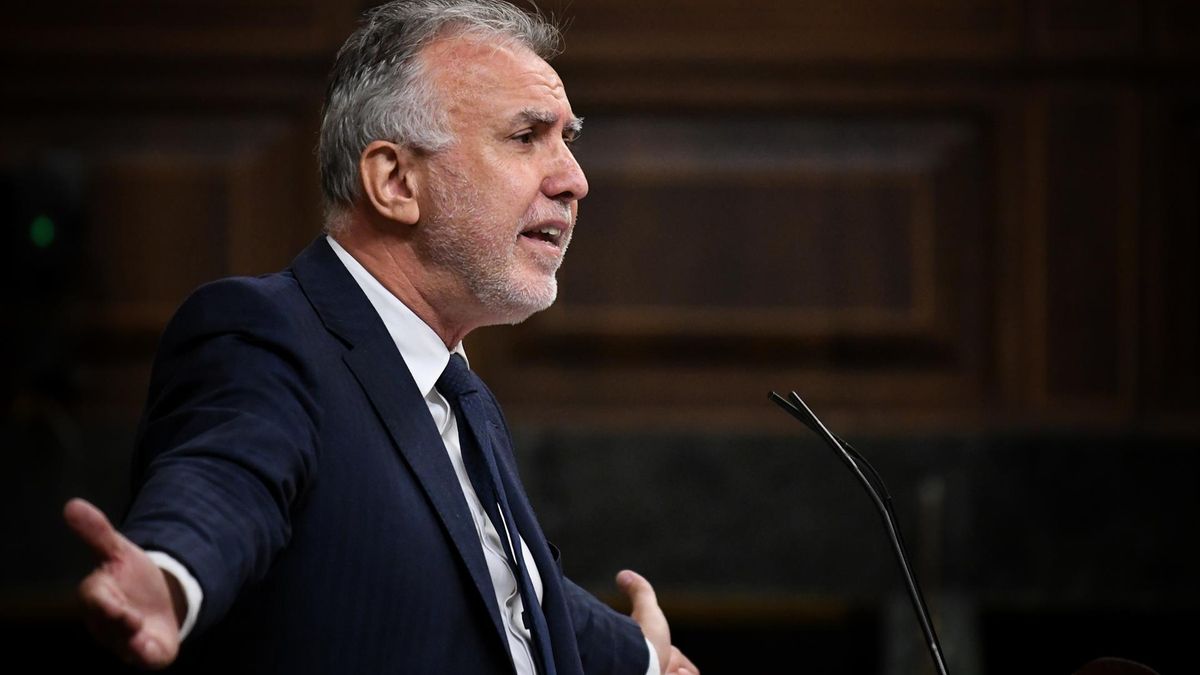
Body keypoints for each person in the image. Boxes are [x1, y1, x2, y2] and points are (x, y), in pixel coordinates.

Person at [62, 1, 699, 673]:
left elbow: (494, 583)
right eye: (526, 136)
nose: (575, 179)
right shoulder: (266, 334)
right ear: (396, 181)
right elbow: (227, 477)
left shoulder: (456, 392)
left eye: (568, 138)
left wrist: (641, 656)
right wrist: (170, 573)